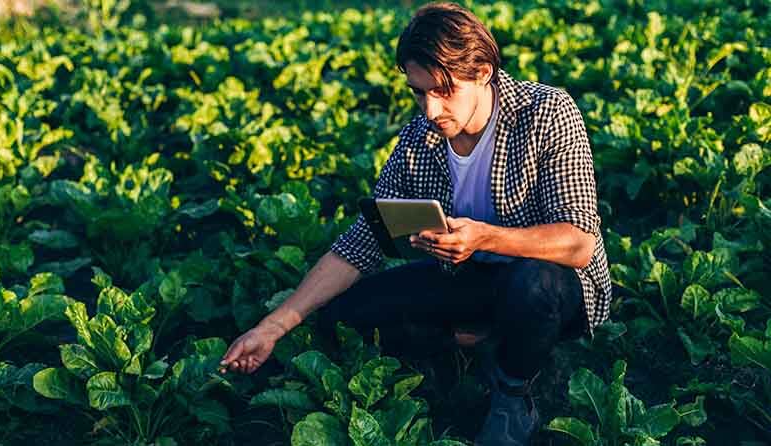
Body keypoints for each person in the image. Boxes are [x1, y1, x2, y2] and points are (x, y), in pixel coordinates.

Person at [219, 2, 612, 445]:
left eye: (444, 90)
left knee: (532, 284)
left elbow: (578, 242)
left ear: (482, 71)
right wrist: (272, 326)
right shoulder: (418, 141)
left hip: (557, 286)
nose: (430, 109)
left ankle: (512, 393)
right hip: (471, 279)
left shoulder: (546, 112)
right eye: (418, 92)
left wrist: (484, 237)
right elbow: (362, 243)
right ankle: (471, 339)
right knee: (345, 314)